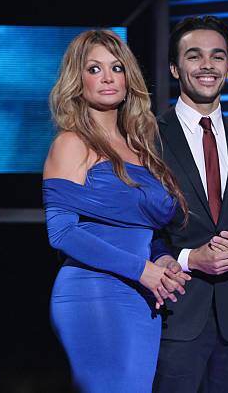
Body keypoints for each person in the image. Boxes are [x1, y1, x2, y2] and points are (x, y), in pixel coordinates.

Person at [42, 29, 190, 393]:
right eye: (94, 69)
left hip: (143, 297)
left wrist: (164, 260)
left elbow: (149, 229)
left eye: (117, 67)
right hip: (93, 293)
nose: (108, 77)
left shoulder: (143, 147)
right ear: (78, 81)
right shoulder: (72, 142)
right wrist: (142, 270)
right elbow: (61, 232)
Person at [150, 16, 228, 393]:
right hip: (174, 315)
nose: (207, 65)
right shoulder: (147, 138)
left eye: (217, 56)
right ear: (175, 68)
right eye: (195, 56)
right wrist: (190, 258)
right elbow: (140, 228)